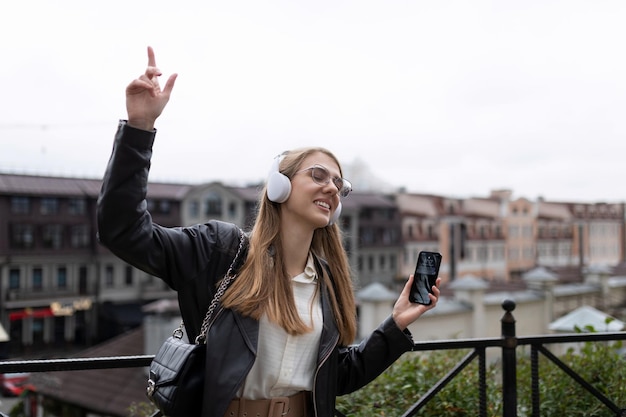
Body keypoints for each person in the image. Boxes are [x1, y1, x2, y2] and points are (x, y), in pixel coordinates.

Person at [97, 46, 441, 417]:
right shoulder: (220, 250)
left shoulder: (326, 280)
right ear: (279, 185)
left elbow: (338, 377)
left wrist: (396, 324)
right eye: (318, 175)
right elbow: (124, 231)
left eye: (339, 184)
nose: (331, 187)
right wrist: (139, 129)